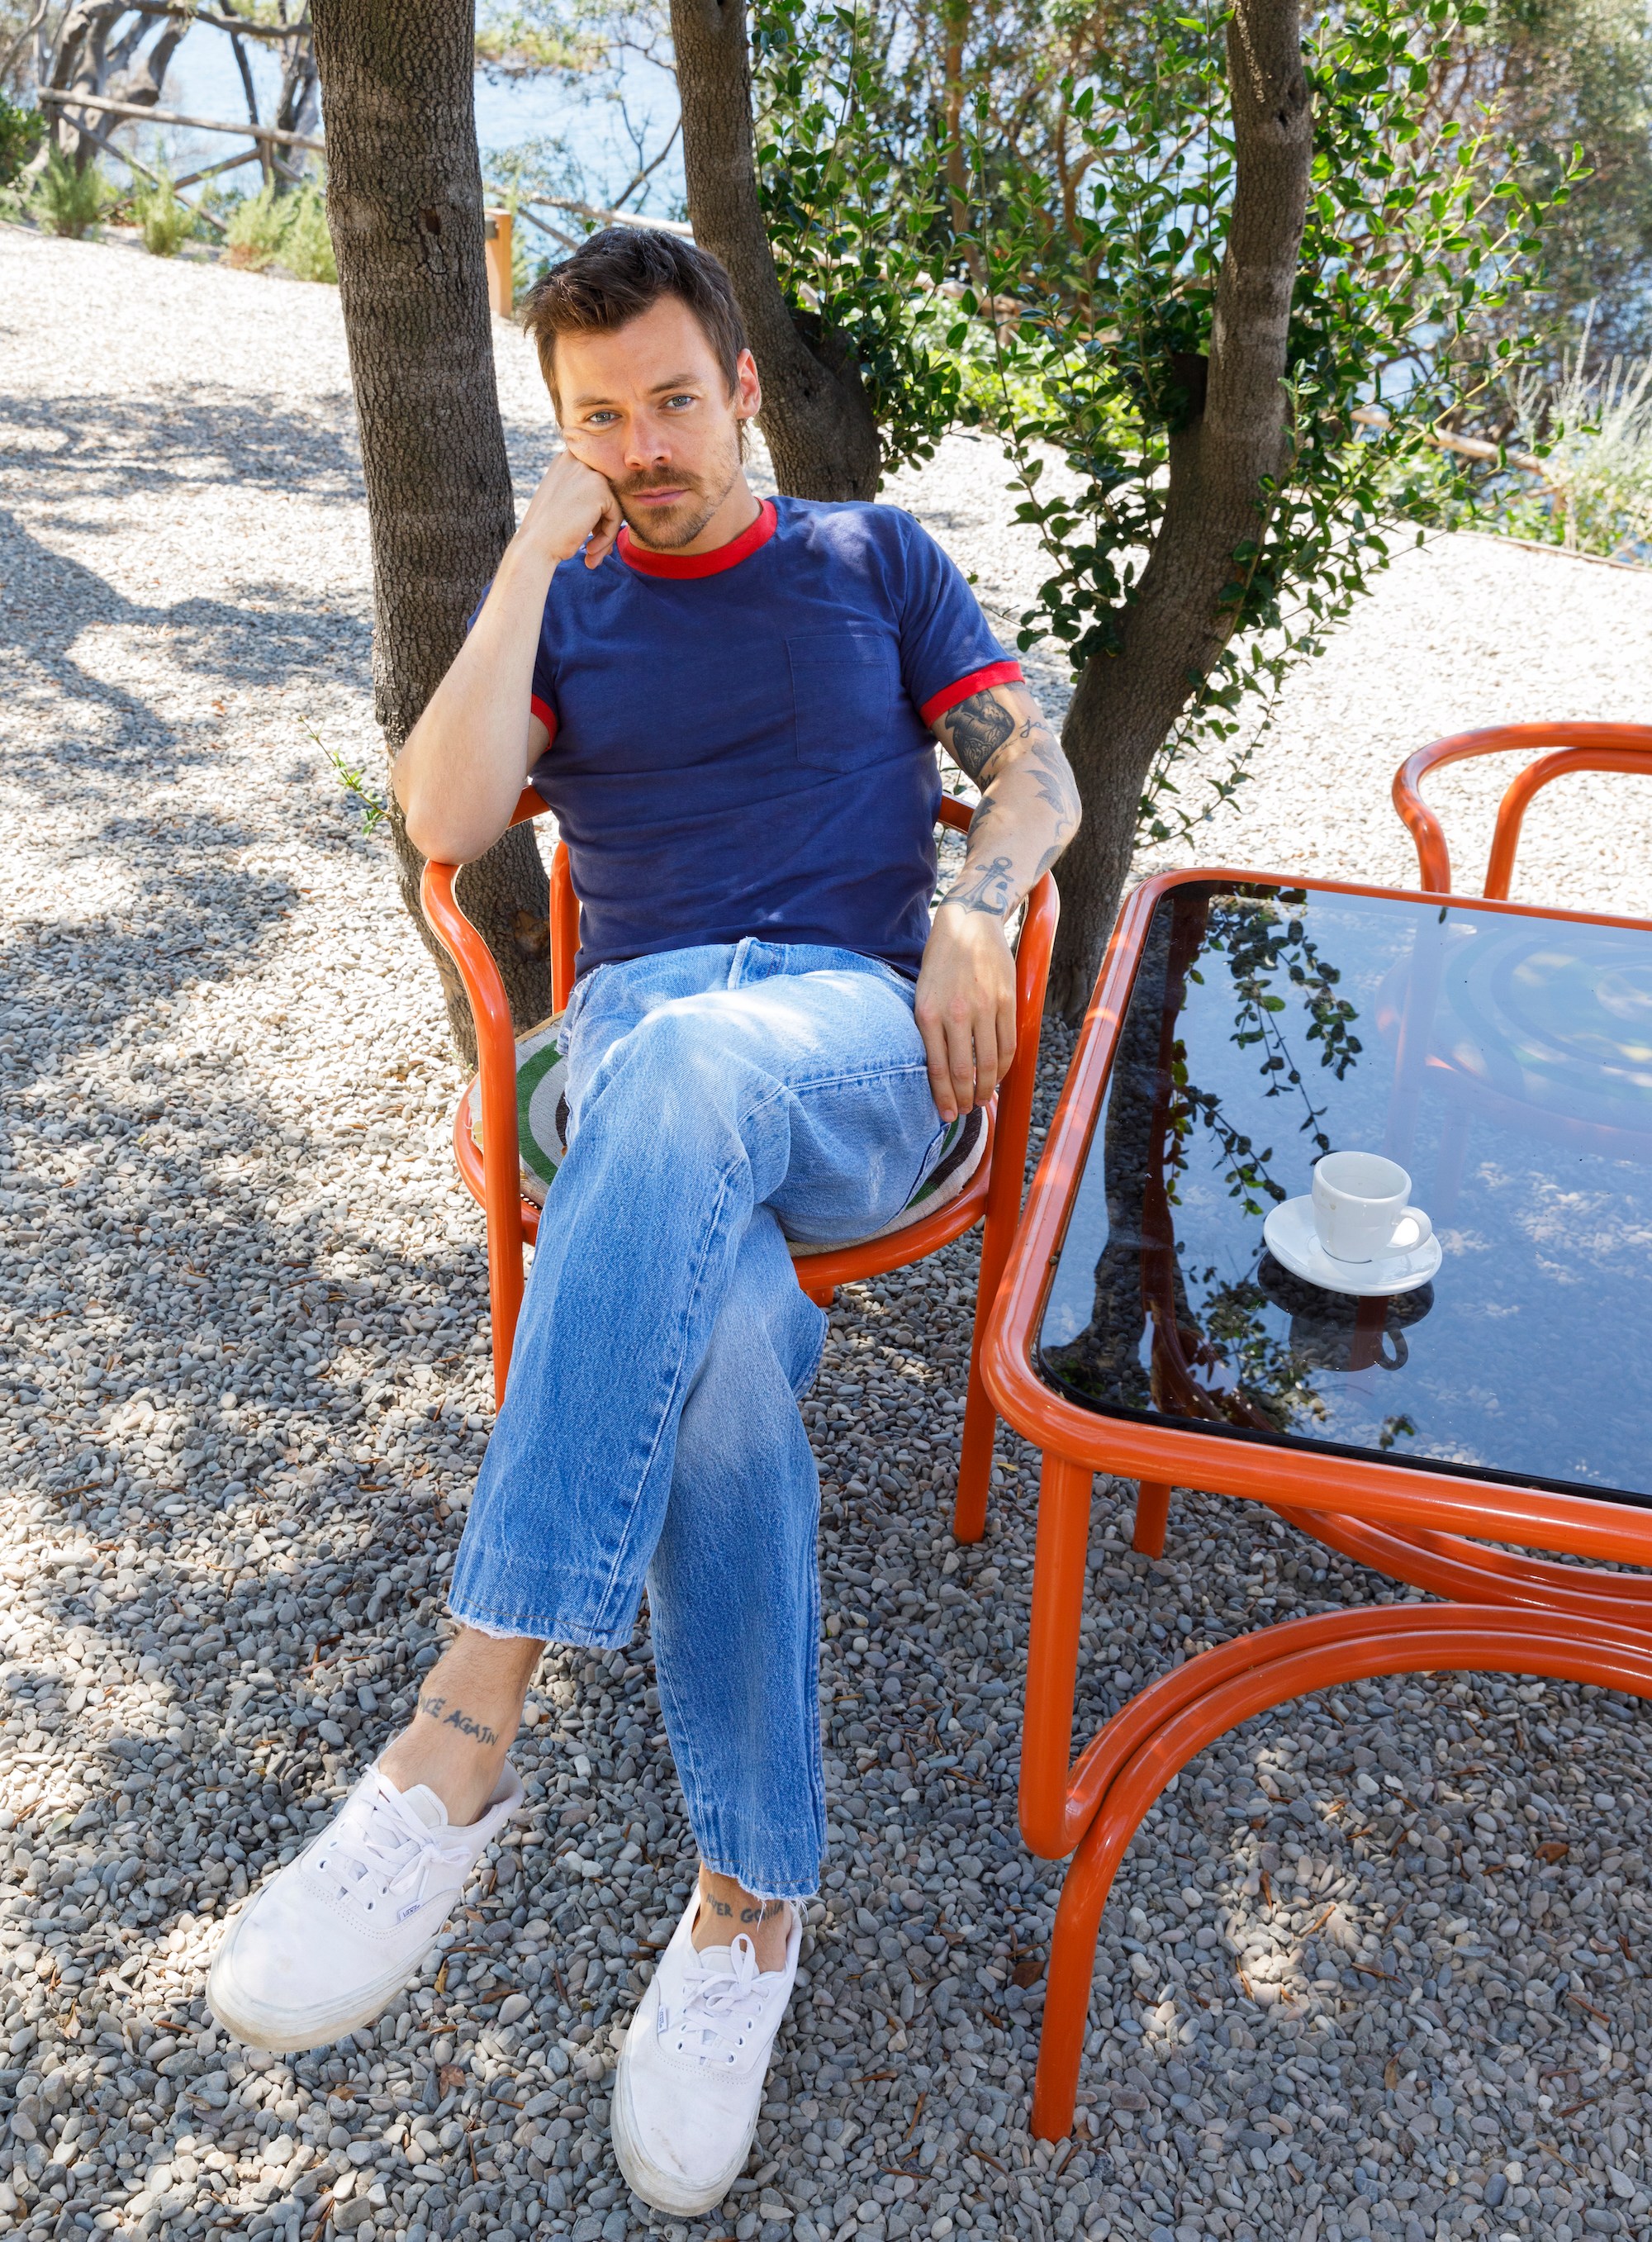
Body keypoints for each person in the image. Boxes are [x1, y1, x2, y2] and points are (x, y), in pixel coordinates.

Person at [206, 226, 1079, 2216]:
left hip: (849, 1046)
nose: (647, 447)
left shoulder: (872, 560)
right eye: (600, 420)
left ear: (743, 389)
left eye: (675, 402)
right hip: (646, 1045)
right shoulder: (571, 602)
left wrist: (972, 907)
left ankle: (460, 1735)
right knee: (726, 1356)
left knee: (683, 1075)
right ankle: (749, 1905)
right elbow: (443, 821)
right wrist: (530, 554)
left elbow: (1035, 771)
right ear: (565, 433)